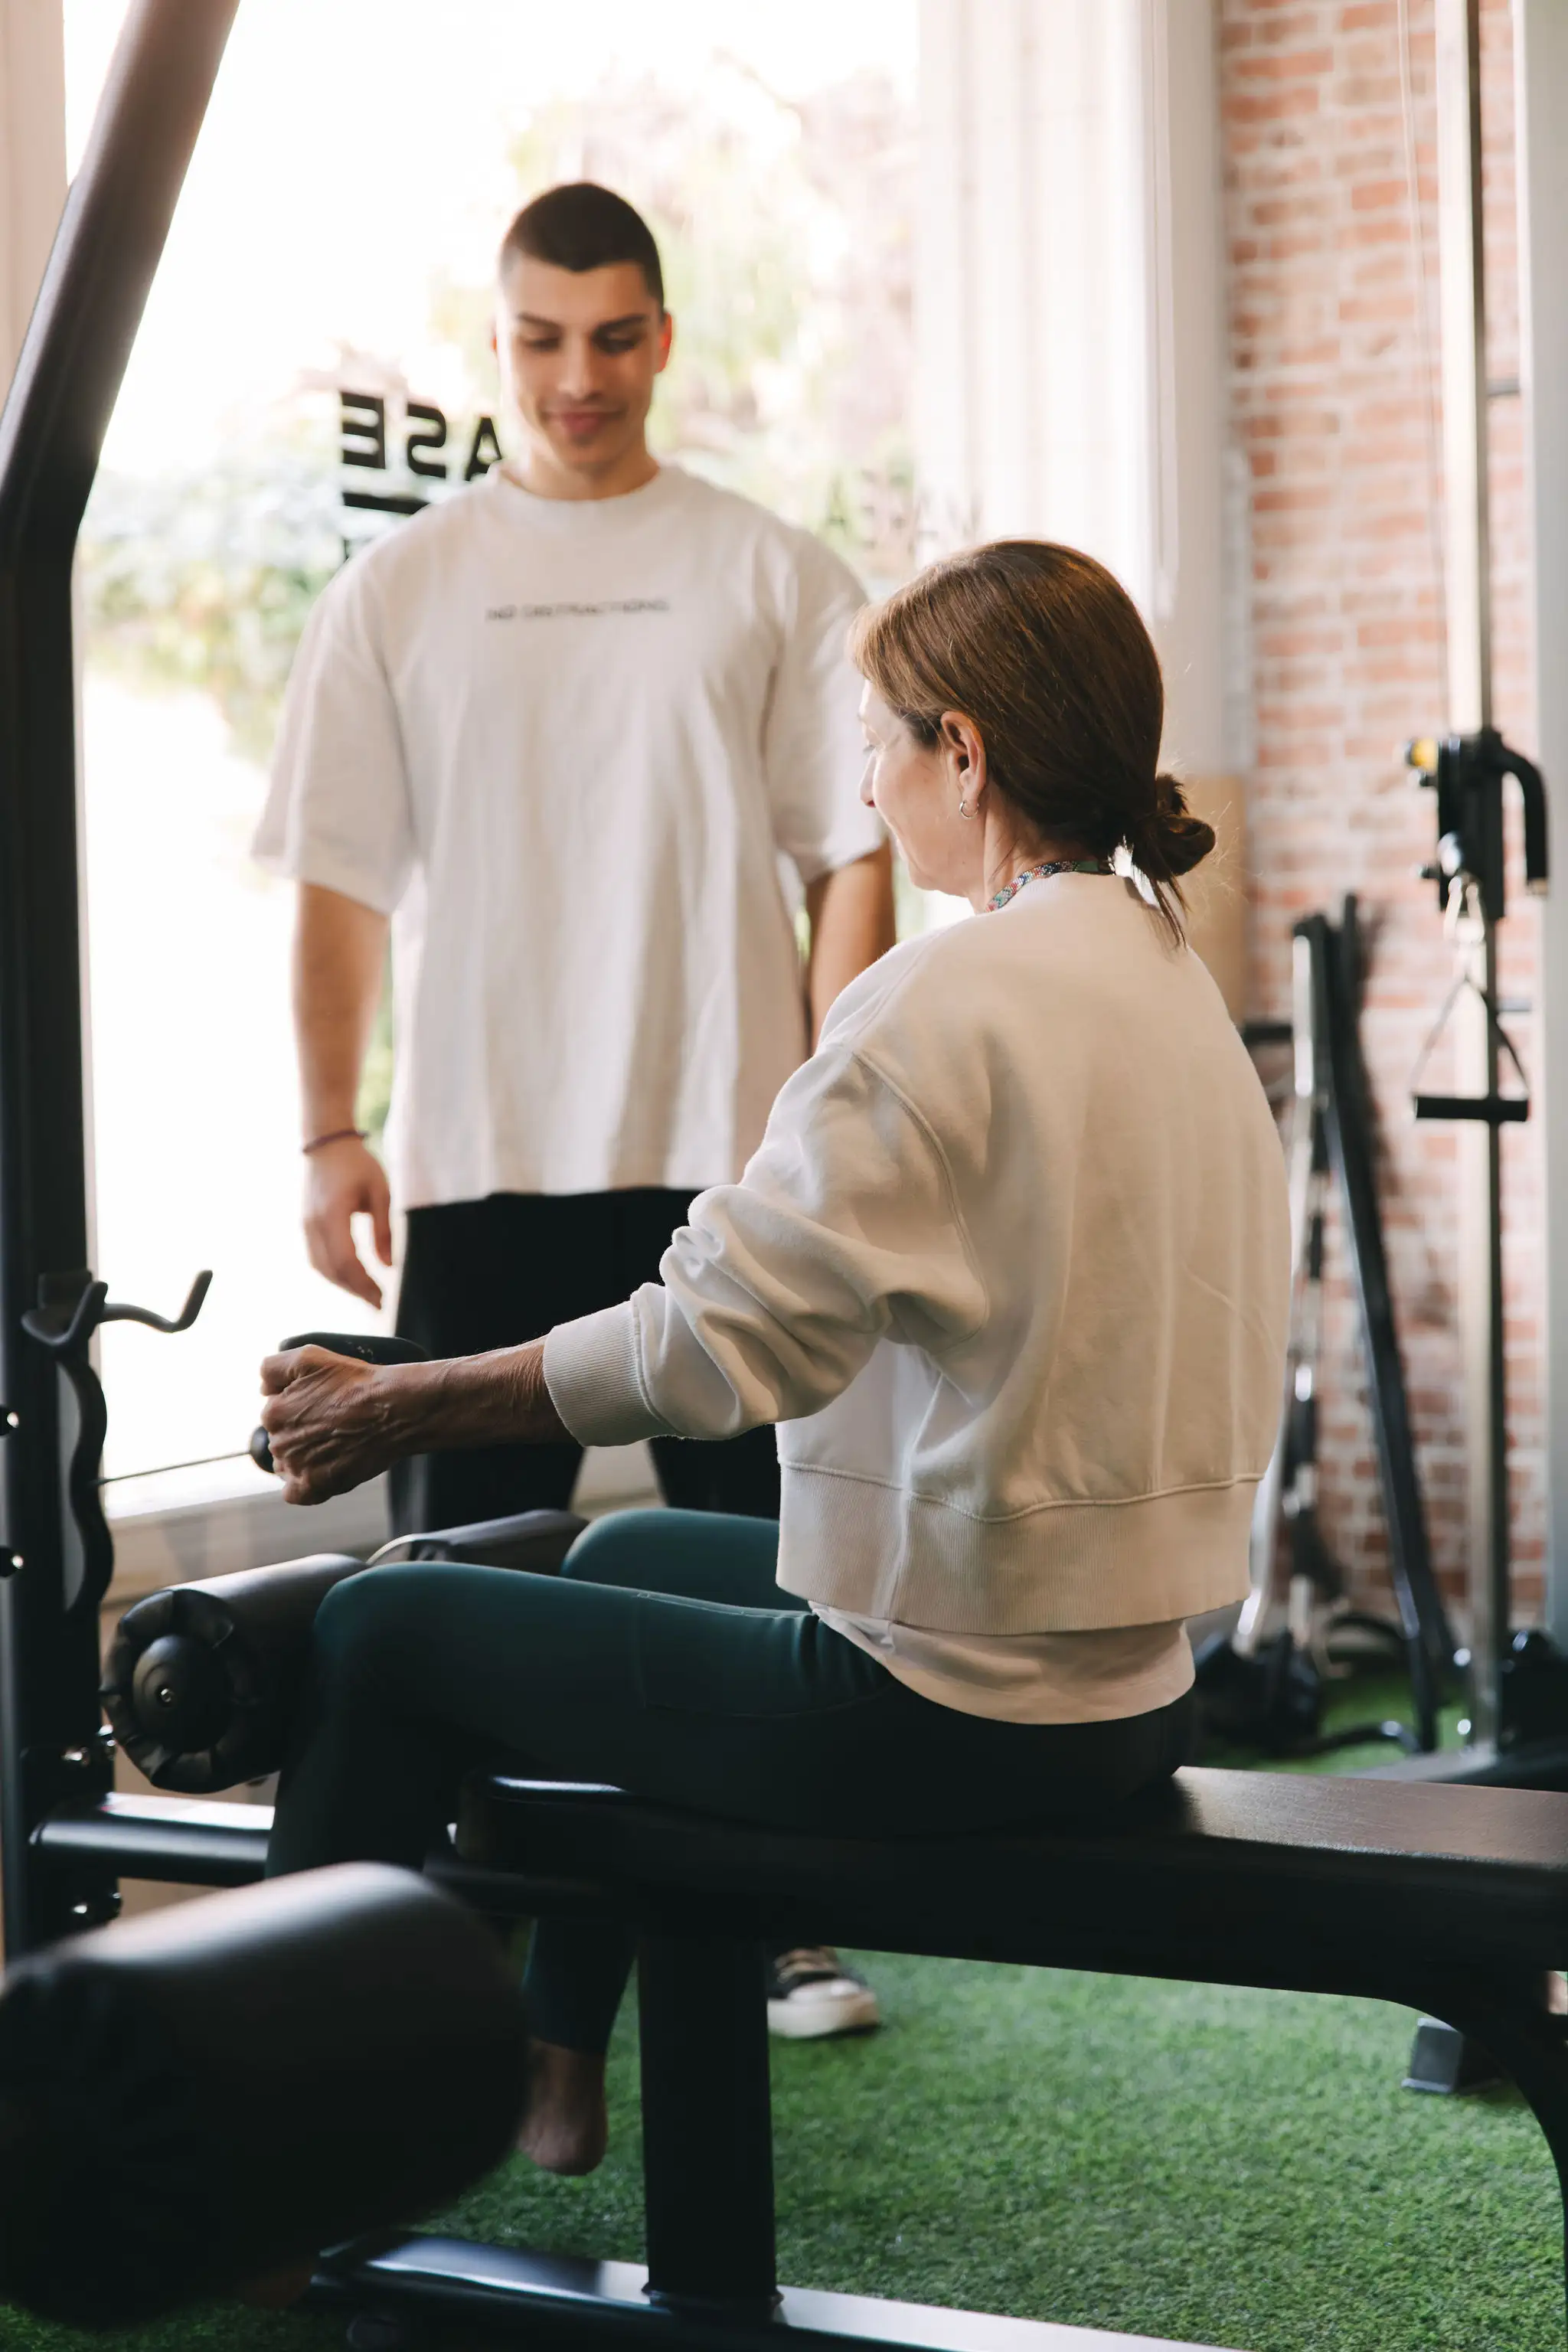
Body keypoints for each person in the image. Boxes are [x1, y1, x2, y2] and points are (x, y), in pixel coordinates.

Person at [260, 538, 1292, 2177]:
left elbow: (705, 1351)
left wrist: (406, 1401)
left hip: (939, 1715)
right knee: (631, 1547)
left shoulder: (930, 1006)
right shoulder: (1174, 984)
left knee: (383, 1622)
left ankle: (274, 2162)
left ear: (963, 750)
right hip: (1134, 1691)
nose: (870, 792)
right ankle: (551, 2056)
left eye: (882, 744)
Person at [254, 182, 895, 2039]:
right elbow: (336, 882)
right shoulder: (402, 587)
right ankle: (443, 1958)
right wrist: (327, 1127)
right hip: (486, 1154)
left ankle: (783, 1922)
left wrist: (819, 1102)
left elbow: (852, 853)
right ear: (499, 344)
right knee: (451, 1582)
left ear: (665, 341)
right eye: (543, 339)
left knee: (768, 1569)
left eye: (615, 336)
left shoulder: (773, 571)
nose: (580, 376)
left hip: (724, 1146)